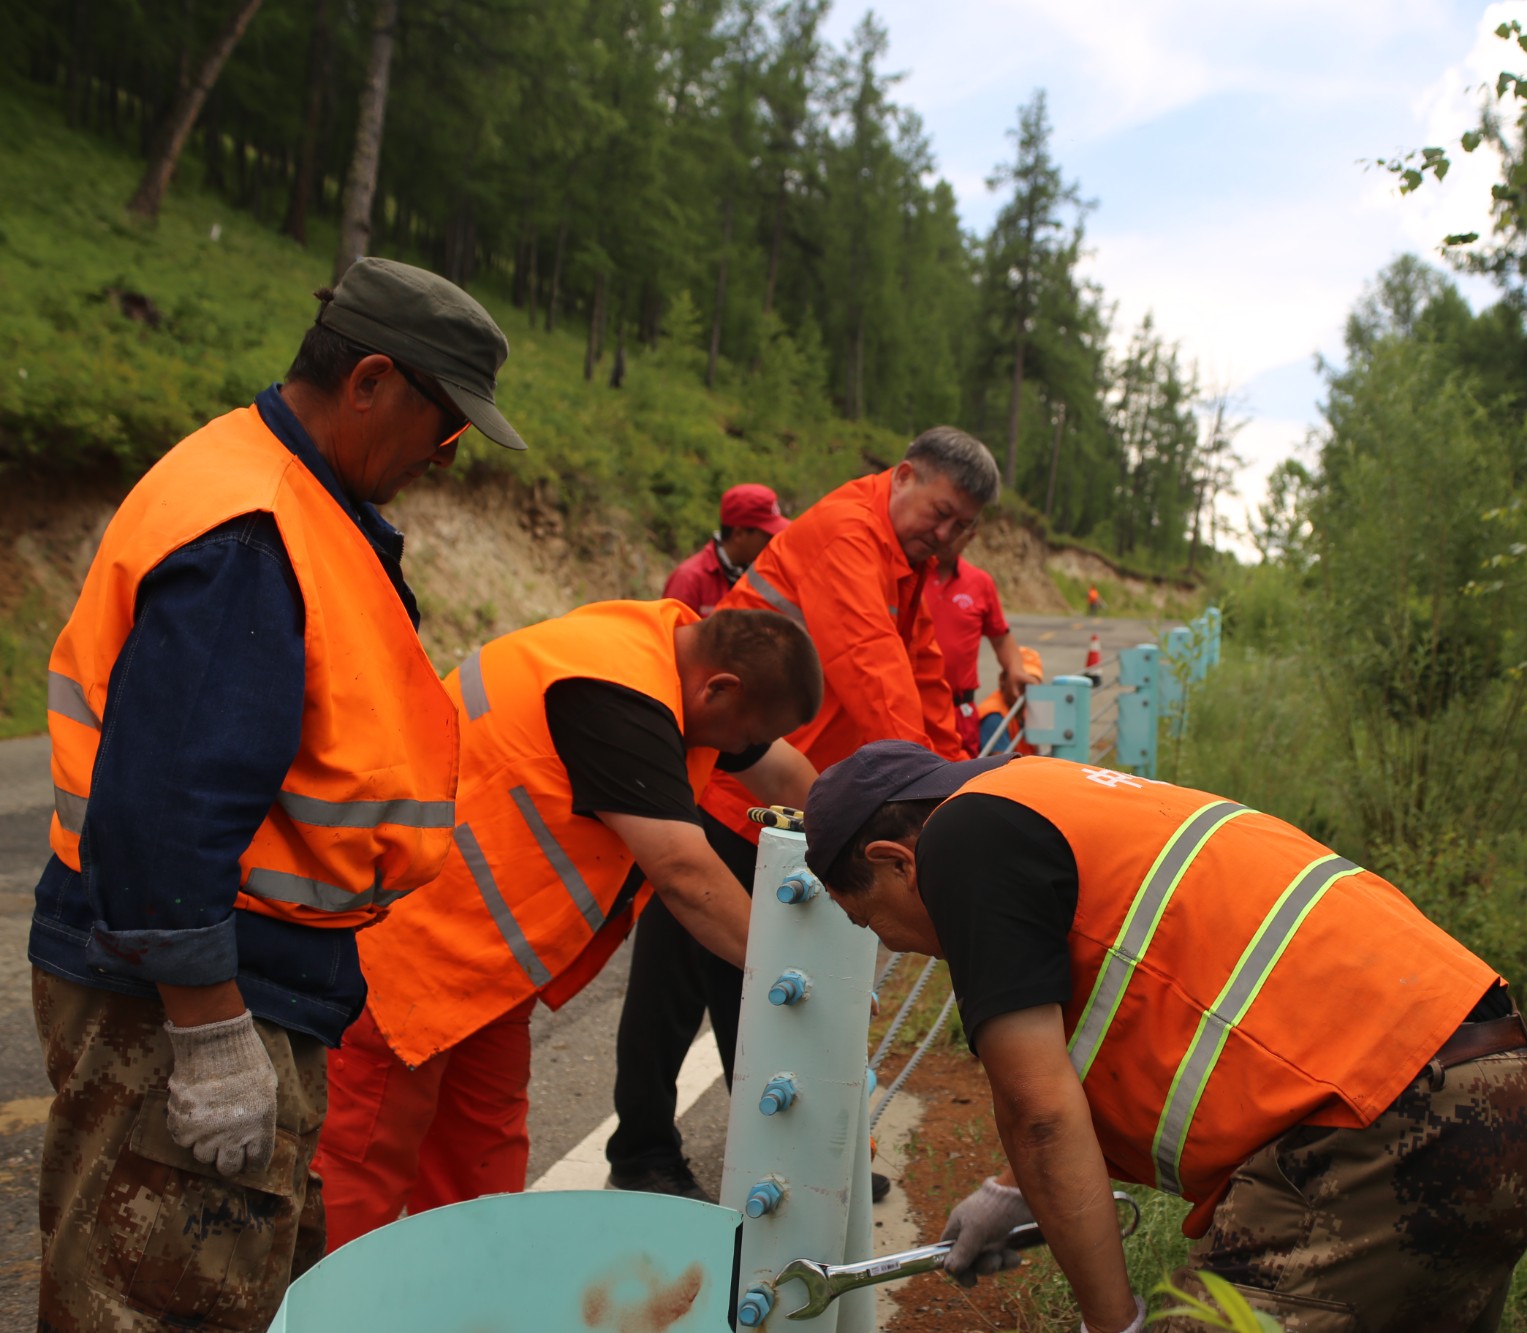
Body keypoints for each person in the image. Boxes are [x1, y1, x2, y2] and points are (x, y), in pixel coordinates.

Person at [31, 258, 526, 1331]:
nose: (446, 456)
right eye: (445, 423)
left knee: (220, 1288)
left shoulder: (284, 497)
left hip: (234, 976)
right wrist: (210, 1031)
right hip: (188, 991)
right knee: (157, 1300)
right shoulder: (254, 530)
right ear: (370, 381)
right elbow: (166, 804)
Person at [804, 741, 1527, 1333]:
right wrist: (1013, 1191)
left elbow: (1039, 1113)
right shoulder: (1046, 792)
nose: (897, 946)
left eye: (871, 920)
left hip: (1390, 1135)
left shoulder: (962, 841)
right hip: (1503, 1091)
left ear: (896, 861)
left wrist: (1113, 1323)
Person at [313, 603, 820, 1247]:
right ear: (719, 688)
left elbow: (783, 772)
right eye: (741, 734)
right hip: (404, 959)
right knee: (362, 1174)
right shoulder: (614, 696)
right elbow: (683, 872)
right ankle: (329, 1297)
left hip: (482, 970)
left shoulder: (664, 660)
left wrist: (852, 846)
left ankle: (474, 1294)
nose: (736, 751)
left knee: (482, 1170)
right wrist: (801, 978)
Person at [606, 426, 999, 1199]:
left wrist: (960, 787)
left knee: (770, 981)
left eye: (964, 527)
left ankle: (796, 1161)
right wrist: (927, 807)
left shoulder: (906, 564)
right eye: (941, 514)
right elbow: (874, 673)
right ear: (904, 475)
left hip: (796, 797)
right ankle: (643, 1152)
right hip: (729, 778)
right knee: (676, 980)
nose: (947, 535)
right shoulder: (846, 534)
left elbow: (923, 677)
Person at [924, 521, 1033, 756]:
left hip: (958, 712)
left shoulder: (980, 583)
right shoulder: (911, 573)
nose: (945, 534)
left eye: (957, 528)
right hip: (915, 707)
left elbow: (1001, 637)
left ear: (970, 536)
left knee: (962, 775)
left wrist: (1015, 668)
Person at [663, 483, 790, 613]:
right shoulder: (689, 579)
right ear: (739, 534)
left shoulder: (765, 577)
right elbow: (669, 625)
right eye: (768, 536)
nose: (774, 542)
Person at [975, 646, 1045, 755]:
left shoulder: (1023, 711)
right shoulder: (994, 717)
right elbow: (1002, 763)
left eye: (1031, 685)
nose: (1025, 691)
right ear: (1002, 679)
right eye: (1020, 683)